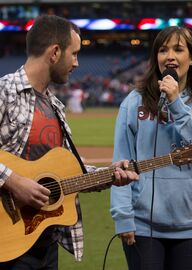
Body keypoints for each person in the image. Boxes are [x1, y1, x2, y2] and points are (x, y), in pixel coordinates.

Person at [0, 15, 138, 270]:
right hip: (7, 244)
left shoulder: (56, 108)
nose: (76, 63)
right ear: (54, 53)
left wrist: (110, 175)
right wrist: (14, 181)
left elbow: (68, 175)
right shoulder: (5, 91)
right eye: (74, 54)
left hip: (45, 244)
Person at [110, 26, 192, 270]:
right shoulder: (133, 102)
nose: (170, 56)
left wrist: (176, 104)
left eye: (178, 49)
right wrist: (123, 217)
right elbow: (121, 162)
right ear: (156, 59)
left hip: (189, 225)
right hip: (142, 224)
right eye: (163, 50)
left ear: (191, 58)